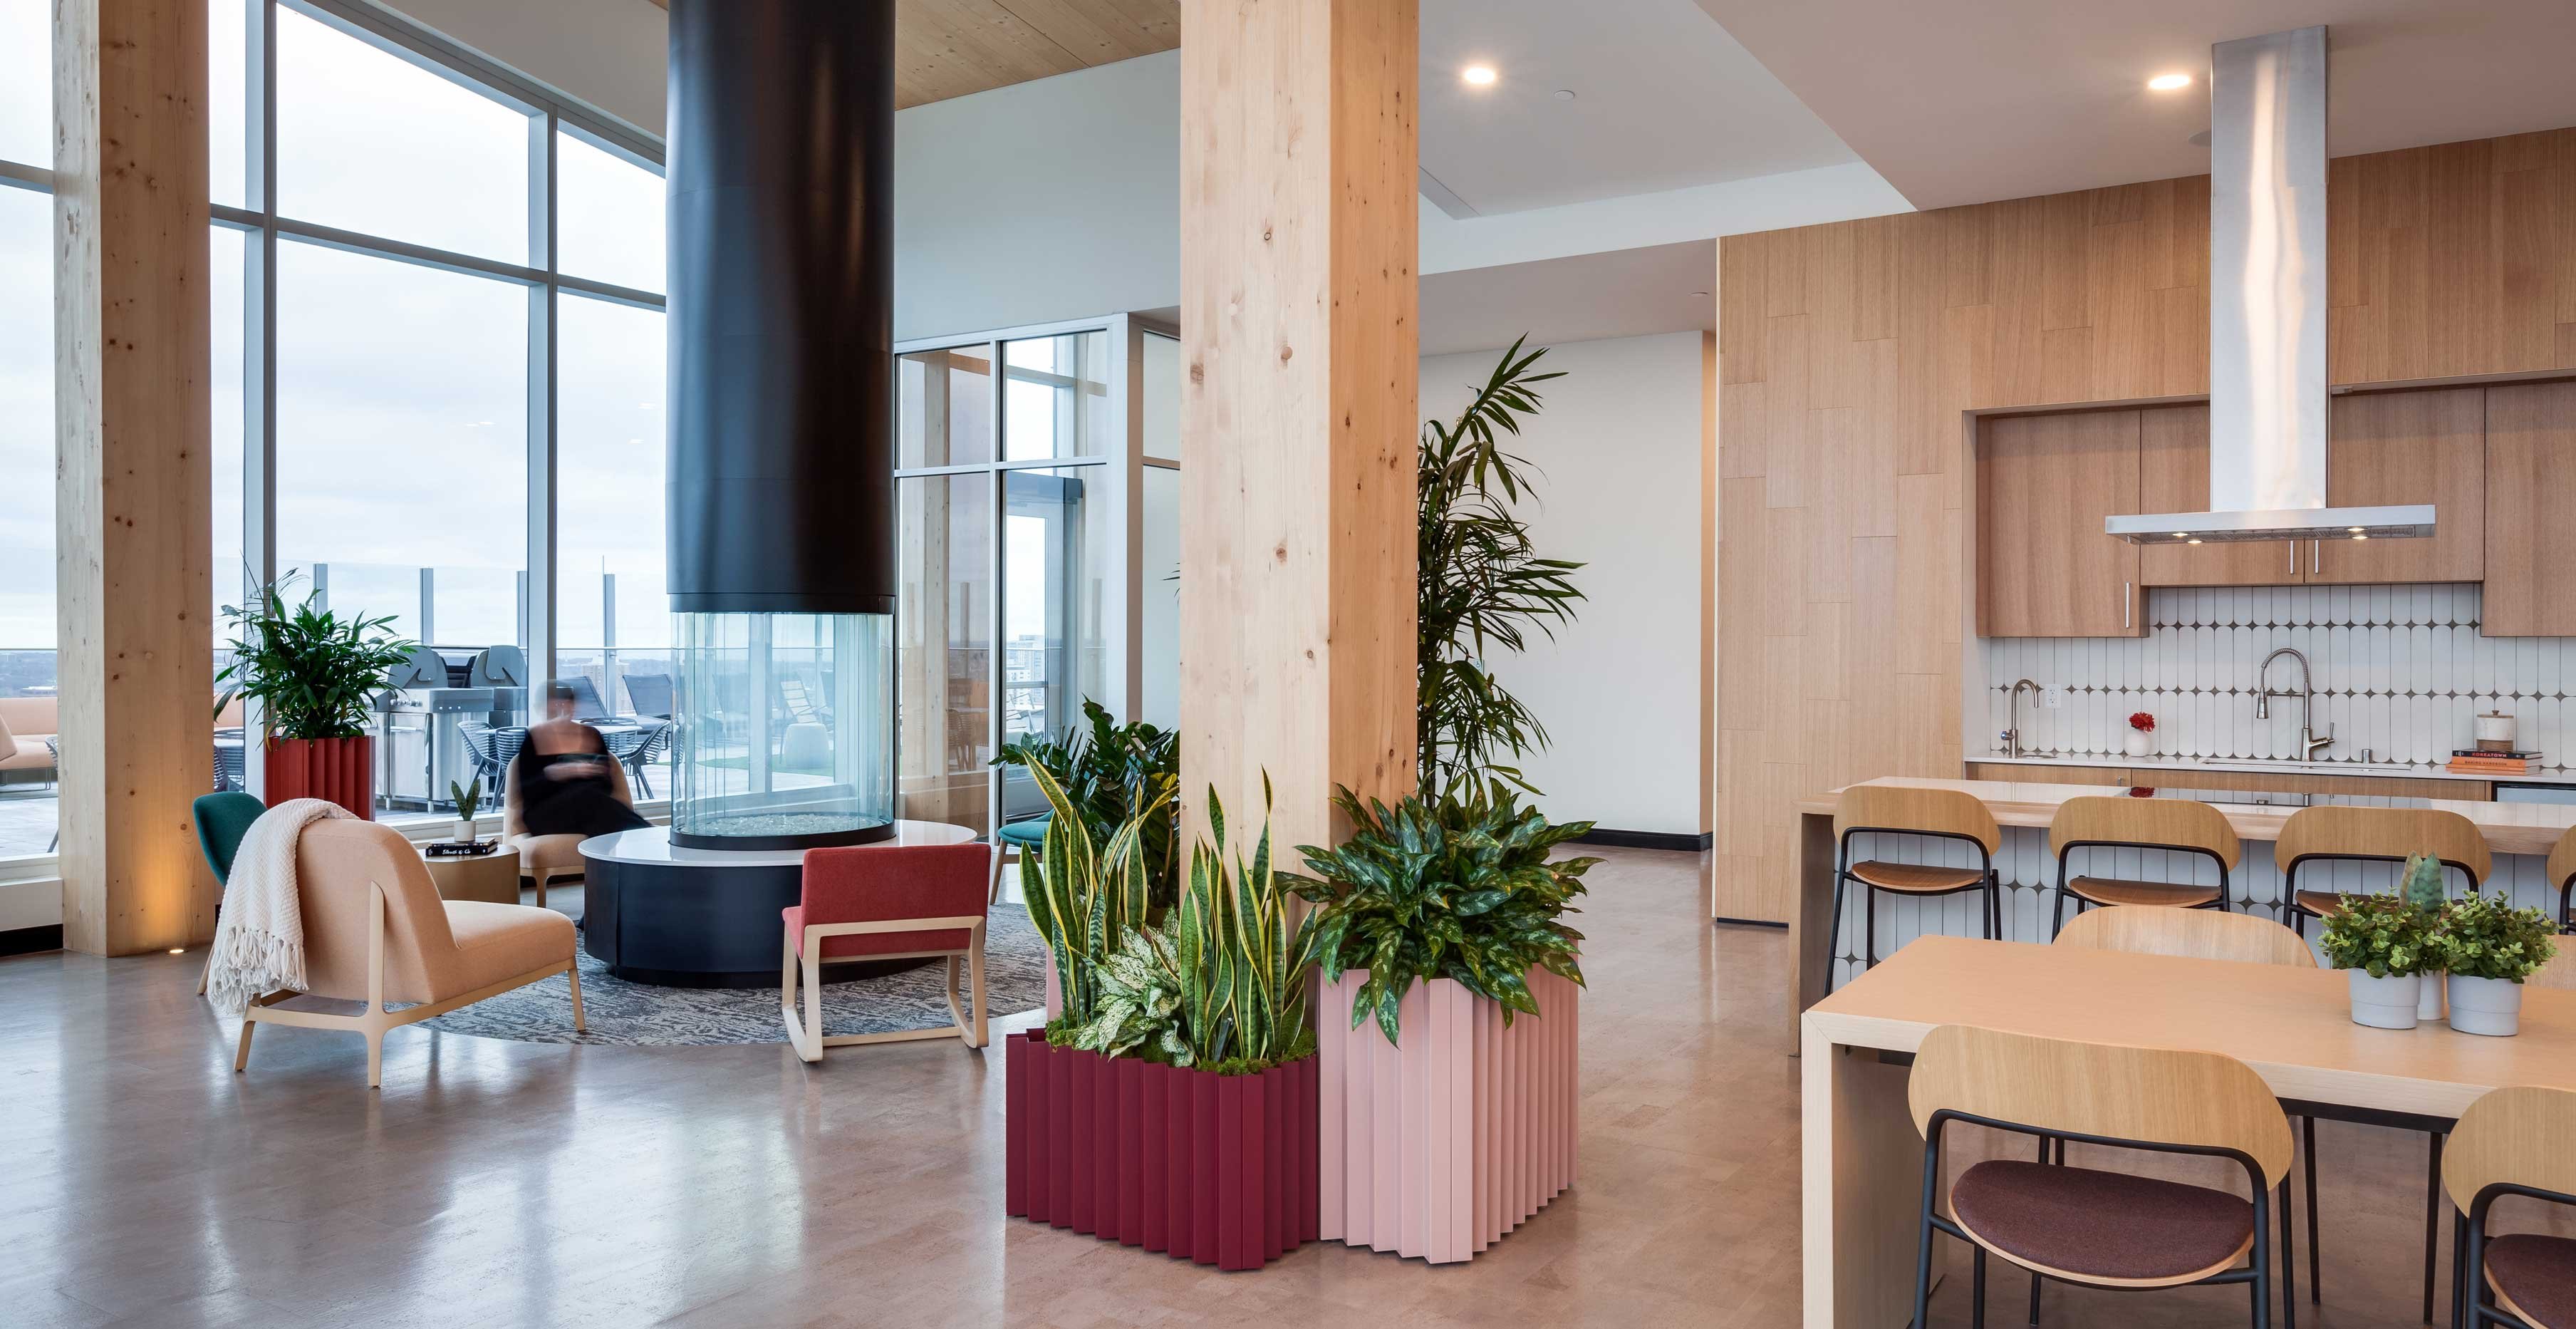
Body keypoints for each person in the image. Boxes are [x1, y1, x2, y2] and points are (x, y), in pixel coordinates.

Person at [513, 682, 650, 839]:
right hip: (546, 813)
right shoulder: (534, 738)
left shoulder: (591, 735)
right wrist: (554, 774)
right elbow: (527, 791)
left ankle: (638, 843)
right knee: (592, 802)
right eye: (556, 705)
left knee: (596, 808)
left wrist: (591, 772)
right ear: (544, 707)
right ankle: (644, 834)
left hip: (590, 806)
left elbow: (607, 786)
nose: (562, 709)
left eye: (566, 704)